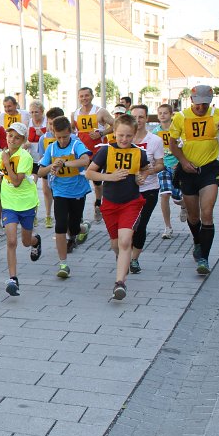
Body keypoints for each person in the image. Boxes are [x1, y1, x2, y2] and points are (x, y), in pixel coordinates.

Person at [168, 84, 219, 275]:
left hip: (210, 169)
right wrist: (183, 161)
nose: (201, 107)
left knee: (207, 212)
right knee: (193, 216)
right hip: (188, 170)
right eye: (198, 104)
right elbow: (172, 143)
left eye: (205, 103)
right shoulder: (181, 117)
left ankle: (204, 258)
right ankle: (197, 241)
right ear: (191, 100)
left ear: (210, 102)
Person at [85, 114, 150, 300]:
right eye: (121, 135)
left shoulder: (139, 153)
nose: (124, 139)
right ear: (114, 133)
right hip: (110, 204)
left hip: (131, 202)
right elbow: (89, 173)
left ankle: (120, 283)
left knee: (125, 240)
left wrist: (142, 177)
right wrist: (110, 177)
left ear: (134, 135)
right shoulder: (106, 151)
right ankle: (122, 258)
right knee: (116, 244)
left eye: (129, 136)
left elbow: (145, 168)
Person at [36, 115, 92, 279]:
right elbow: (40, 171)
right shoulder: (52, 148)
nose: (61, 140)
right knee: (60, 225)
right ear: (54, 133)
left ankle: (83, 228)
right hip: (59, 191)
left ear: (71, 132)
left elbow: (85, 161)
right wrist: (52, 166)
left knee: (73, 228)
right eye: (58, 137)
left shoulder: (76, 144)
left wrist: (65, 163)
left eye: (65, 137)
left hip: (77, 191)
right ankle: (63, 264)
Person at [0, 122, 43, 295]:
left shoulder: (25, 157)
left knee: (25, 241)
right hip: (9, 203)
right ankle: (13, 279)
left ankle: (35, 241)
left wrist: (6, 163)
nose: (12, 140)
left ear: (23, 140)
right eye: (10, 136)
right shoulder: (1, 155)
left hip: (27, 202)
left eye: (17, 138)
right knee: (11, 241)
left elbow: (15, 182)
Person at [129, 105, 166, 273]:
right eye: (134, 117)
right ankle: (124, 254)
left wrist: (149, 171)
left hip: (148, 189)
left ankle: (134, 259)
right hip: (127, 189)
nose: (137, 120)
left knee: (140, 225)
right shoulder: (123, 138)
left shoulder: (155, 140)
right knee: (128, 225)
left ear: (146, 118)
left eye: (141, 117)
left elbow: (160, 164)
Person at [71, 87, 116, 222]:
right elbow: (72, 130)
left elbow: (116, 125)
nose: (84, 98)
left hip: (98, 151)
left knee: (97, 181)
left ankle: (98, 202)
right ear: (78, 98)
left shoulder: (100, 111)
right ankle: (78, 210)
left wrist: (101, 133)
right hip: (81, 152)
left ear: (92, 96)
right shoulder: (74, 114)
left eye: (86, 95)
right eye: (81, 96)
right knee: (80, 180)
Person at [152, 103, 180, 238]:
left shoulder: (177, 129)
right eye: (160, 113)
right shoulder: (155, 132)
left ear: (171, 114)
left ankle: (184, 206)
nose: (162, 115)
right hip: (163, 166)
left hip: (177, 166)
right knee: (165, 194)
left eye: (165, 113)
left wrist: (180, 162)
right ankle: (168, 227)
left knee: (178, 198)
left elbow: (186, 147)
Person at [26, 102, 52, 229]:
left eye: (36, 112)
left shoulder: (48, 123)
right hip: (32, 160)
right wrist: (25, 143)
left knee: (46, 190)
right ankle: (33, 215)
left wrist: (42, 135)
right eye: (31, 112)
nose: (34, 114)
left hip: (45, 160)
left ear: (42, 112)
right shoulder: (28, 123)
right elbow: (24, 138)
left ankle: (48, 216)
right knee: (32, 188)